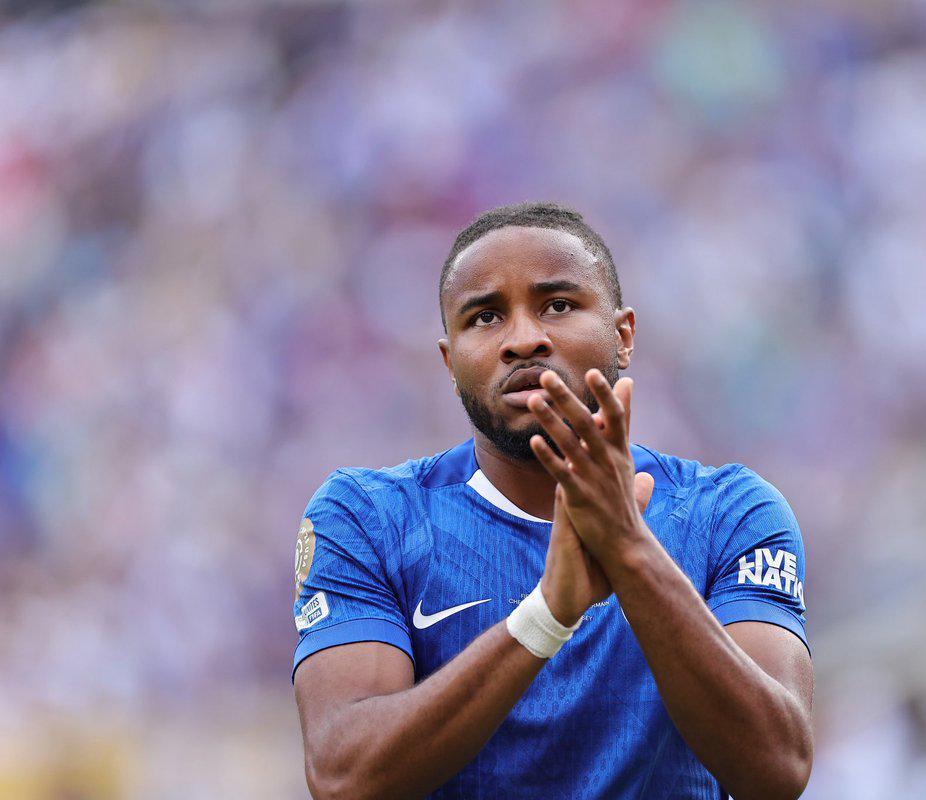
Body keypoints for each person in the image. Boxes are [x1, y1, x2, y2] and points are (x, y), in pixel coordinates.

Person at [291, 202, 814, 799]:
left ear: (623, 335)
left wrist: (632, 554)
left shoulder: (730, 514)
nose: (523, 340)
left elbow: (778, 768)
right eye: (485, 317)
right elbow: (344, 778)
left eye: (558, 305)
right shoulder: (369, 518)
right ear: (450, 362)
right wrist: (545, 615)